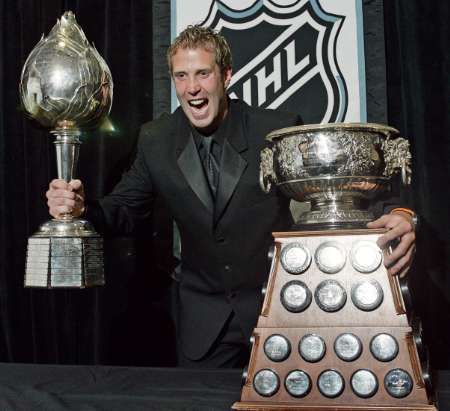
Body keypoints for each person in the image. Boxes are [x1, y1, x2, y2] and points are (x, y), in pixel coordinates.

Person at [46, 25, 416, 368]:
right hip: (202, 322)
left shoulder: (274, 130)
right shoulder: (155, 139)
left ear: (226, 76)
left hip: (281, 310)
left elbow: (332, 193)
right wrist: (81, 209)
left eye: (203, 74)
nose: (192, 88)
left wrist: (400, 213)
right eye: (181, 76)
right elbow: (124, 210)